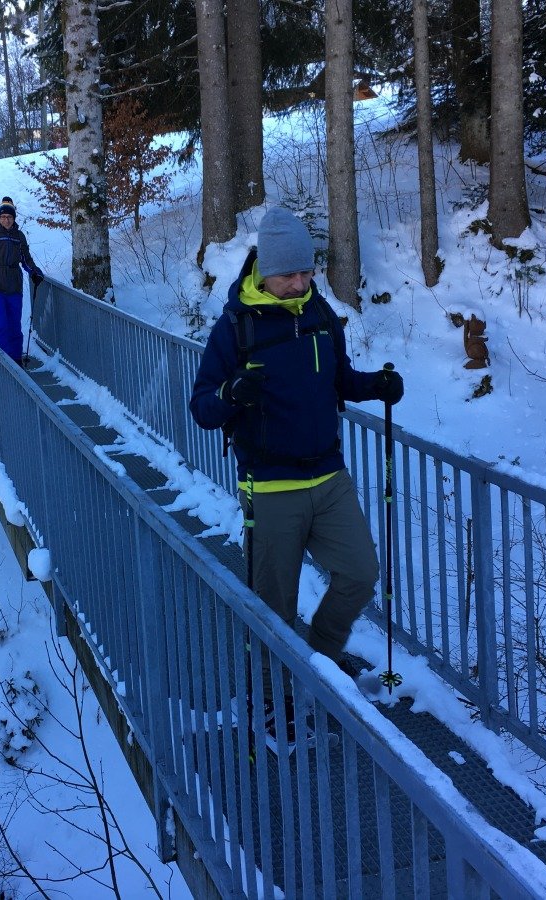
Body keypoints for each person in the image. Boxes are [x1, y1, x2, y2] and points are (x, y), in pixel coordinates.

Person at [189, 207, 404, 739]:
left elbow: (340, 380)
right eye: (290, 274)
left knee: (360, 573)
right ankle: (271, 695)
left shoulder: (320, 313)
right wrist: (232, 393)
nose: (301, 283)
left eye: (307, 272)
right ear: (265, 269)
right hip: (270, 485)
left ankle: (322, 659)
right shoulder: (235, 326)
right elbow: (202, 406)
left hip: (328, 476)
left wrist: (375, 386)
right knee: (274, 603)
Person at [0, 196, 44, 365]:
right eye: (3, 217)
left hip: (15, 287)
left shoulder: (19, 236)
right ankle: (1, 363)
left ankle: (16, 361)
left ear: (14, 218)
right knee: (1, 325)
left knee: (15, 326)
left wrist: (35, 272)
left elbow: (26, 259)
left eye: (10, 217)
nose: (6, 220)